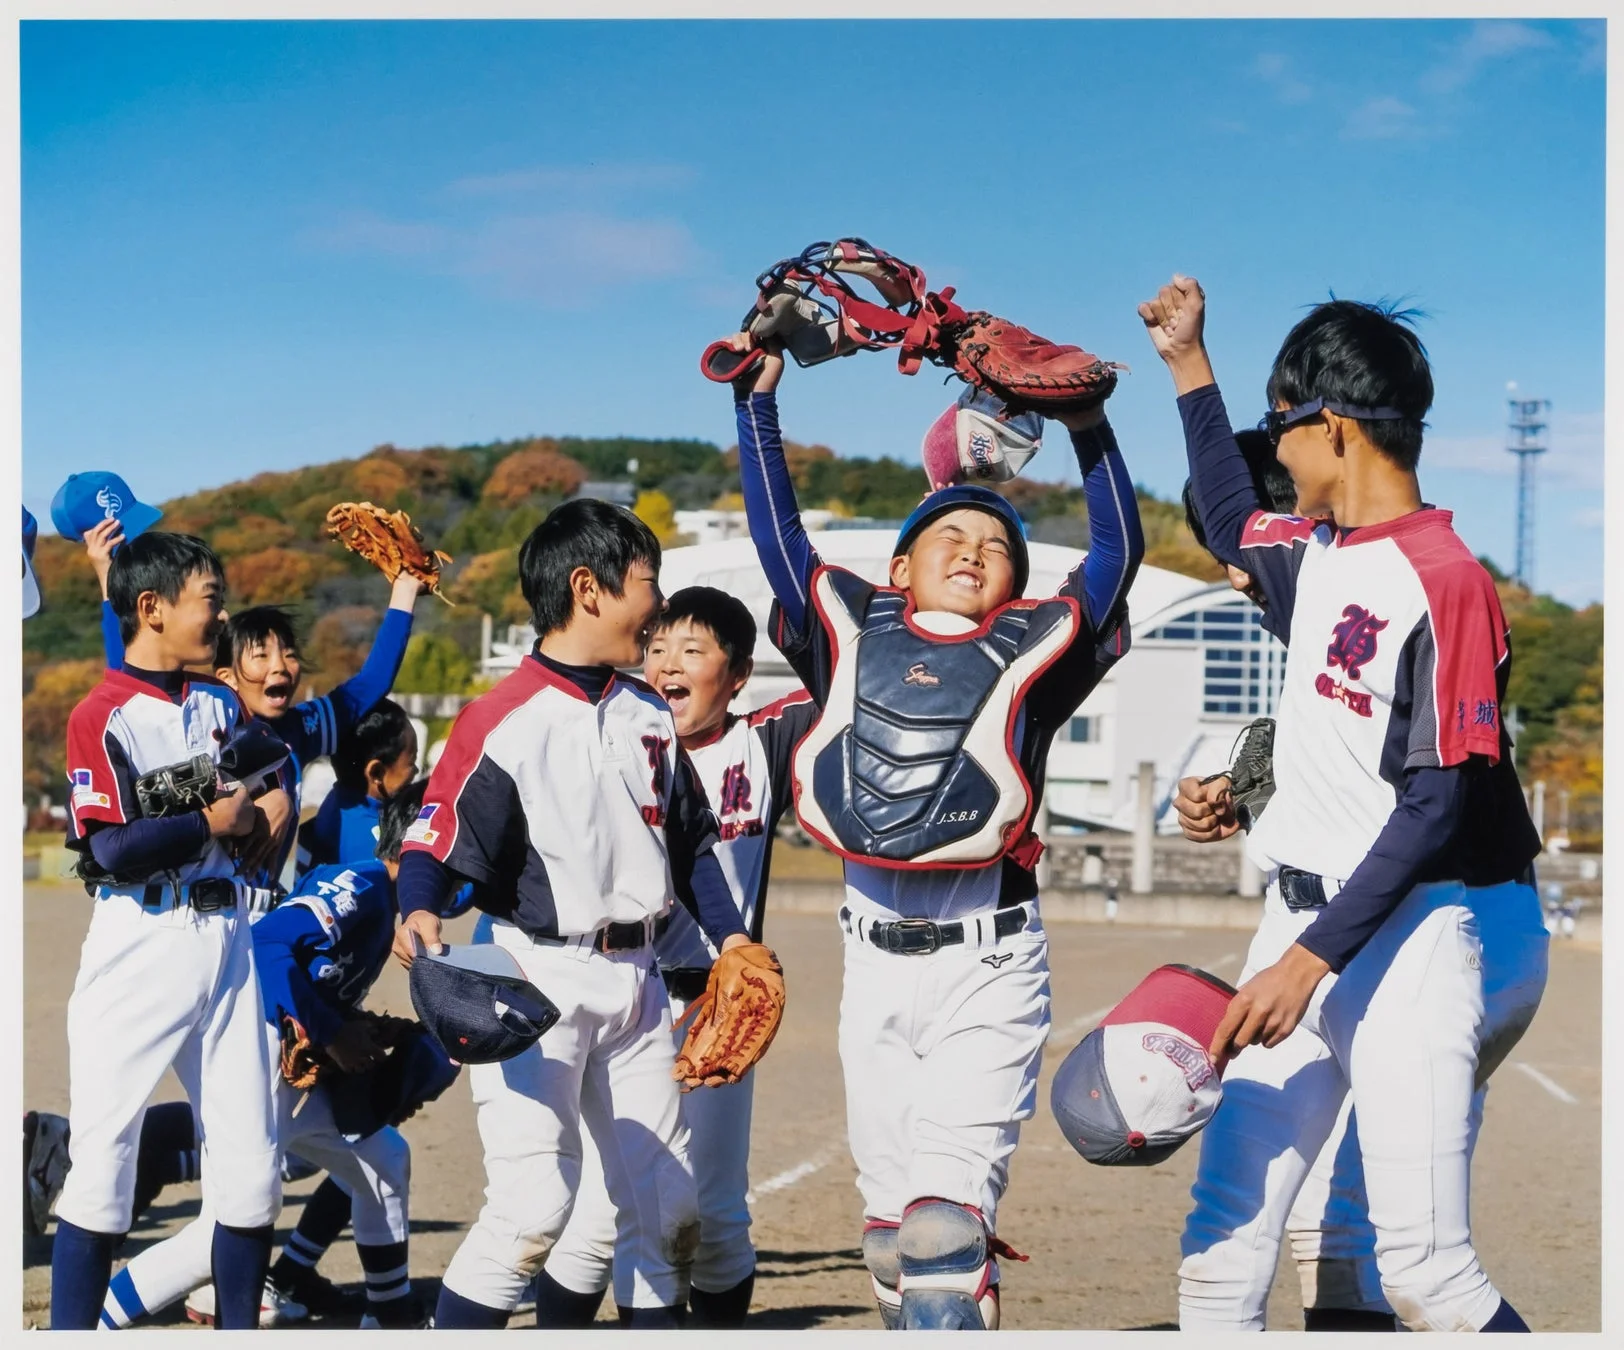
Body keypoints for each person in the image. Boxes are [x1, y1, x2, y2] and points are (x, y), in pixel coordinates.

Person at [1141, 274, 1548, 1333]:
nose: (1272, 454)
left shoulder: (1445, 576)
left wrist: (1309, 957)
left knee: (1422, 1272)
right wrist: (1188, 363)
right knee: (1223, 1235)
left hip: (1403, 941)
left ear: (1330, 427)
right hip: (1298, 921)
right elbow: (1229, 514)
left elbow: (1437, 802)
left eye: (1281, 430)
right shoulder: (1310, 550)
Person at [722, 330, 1143, 1329]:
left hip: (985, 968)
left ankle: (960, 1282)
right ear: (901, 564)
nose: (974, 551)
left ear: (1015, 582)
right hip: (870, 970)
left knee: (939, 1234)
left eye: (997, 546)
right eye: (950, 537)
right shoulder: (846, 627)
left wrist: (1089, 428)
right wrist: (756, 402)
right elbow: (778, 534)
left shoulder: (1036, 649)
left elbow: (1118, 552)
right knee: (887, 1247)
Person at [391, 498, 761, 1330]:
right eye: (647, 585)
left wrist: (732, 937)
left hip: (639, 982)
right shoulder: (502, 719)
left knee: (668, 1213)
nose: (658, 607)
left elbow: (693, 844)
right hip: (535, 979)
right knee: (532, 1209)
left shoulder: (647, 714)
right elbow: (437, 844)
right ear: (588, 589)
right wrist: (417, 912)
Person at [532, 586, 818, 1329]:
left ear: (738, 674)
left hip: (719, 1007)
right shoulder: (613, 739)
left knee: (719, 1216)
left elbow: (845, 667)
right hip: (624, 996)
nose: (668, 663)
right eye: (657, 648)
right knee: (601, 1213)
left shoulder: (763, 742)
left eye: (693, 651)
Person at [1176, 437, 1396, 1331]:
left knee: (1388, 1239)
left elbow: (1420, 790)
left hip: (1392, 936)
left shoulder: (1398, 588)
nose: (1236, 582)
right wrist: (1245, 792)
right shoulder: (1317, 606)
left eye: (1240, 556)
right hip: (1298, 917)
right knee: (1242, 1205)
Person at [98, 782, 455, 1330]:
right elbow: (266, 947)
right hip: (250, 1050)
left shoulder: (385, 905)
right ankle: (87, 1326)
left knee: (384, 1161)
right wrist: (333, 1032)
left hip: (276, 1057)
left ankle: (389, 1318)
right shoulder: (361, 884)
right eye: (446, 866)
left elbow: (310, 971)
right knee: (222, 1229)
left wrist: (350, 1024)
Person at [51, 531, 287, 1330]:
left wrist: (262, 803)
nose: (220, 613)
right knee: (103, 1168)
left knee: (253, 1169)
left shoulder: (218, 703)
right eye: (209, 599)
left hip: (228, 942)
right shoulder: (100, 713)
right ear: (150, 609)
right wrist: (208, 819)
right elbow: (109, 847)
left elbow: (269, 757)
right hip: (139, 943)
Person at [85, 512, 425, 903]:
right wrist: (108, 576)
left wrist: (405, 590)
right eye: (261, 655)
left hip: (257, 911)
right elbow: (128, 662)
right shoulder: (189, 718)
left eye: (289, 653)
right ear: (227, 675)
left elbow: (370, 684)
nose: (279, 665)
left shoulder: (301, 729)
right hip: (187, 909)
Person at [298, 697, 420, 877]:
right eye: (411, 761)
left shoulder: (337, 804)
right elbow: (421, 898)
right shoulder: (373, 844)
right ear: (376, 773)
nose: (416, 771)